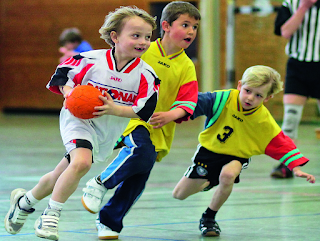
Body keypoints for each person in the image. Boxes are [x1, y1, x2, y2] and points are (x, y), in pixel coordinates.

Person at [4, 6, 159, 240]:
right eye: (135, 35)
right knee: (82, 162)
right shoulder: (90, 60)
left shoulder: (147, 75)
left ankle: (24, 203)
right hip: (77, 120)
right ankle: (50, 216)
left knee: (62, 173)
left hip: (106, 130)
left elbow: (144, 110)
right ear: (115, 37)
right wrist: (71, 94)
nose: (143, 41)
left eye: (147, 37)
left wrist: (114, 108)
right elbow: (63, 76)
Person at [81, 1, 200, 239]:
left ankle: (109, 222)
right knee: (141, 153)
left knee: (138, 178)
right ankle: (100, 182)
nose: (191, 32)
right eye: (185, 25)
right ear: (165, 26)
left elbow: (188, 102)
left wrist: (170, 115)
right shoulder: (143, 49)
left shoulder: (187, 66)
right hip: (130, 120)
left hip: (158, 128)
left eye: (195, 27)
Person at [172, 65, 316, 237]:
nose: (250, 98)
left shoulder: (264, 120)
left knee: (228, 175)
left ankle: (209, 218)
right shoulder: (223, 99)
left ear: (268, 97)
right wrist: (172, 113)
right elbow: (196, 102)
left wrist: (296, 168)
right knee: (179, 195)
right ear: (240, 85)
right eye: (248, 90)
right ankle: (211, 181)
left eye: (258, 95)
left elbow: (281, 144)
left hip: (237, 155)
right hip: (210, 151)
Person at [270, 0, 320, 178]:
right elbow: (285, 32)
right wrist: (303, 7)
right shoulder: (291, 3)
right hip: (298, 66)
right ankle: (287, 165)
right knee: (290, 119)